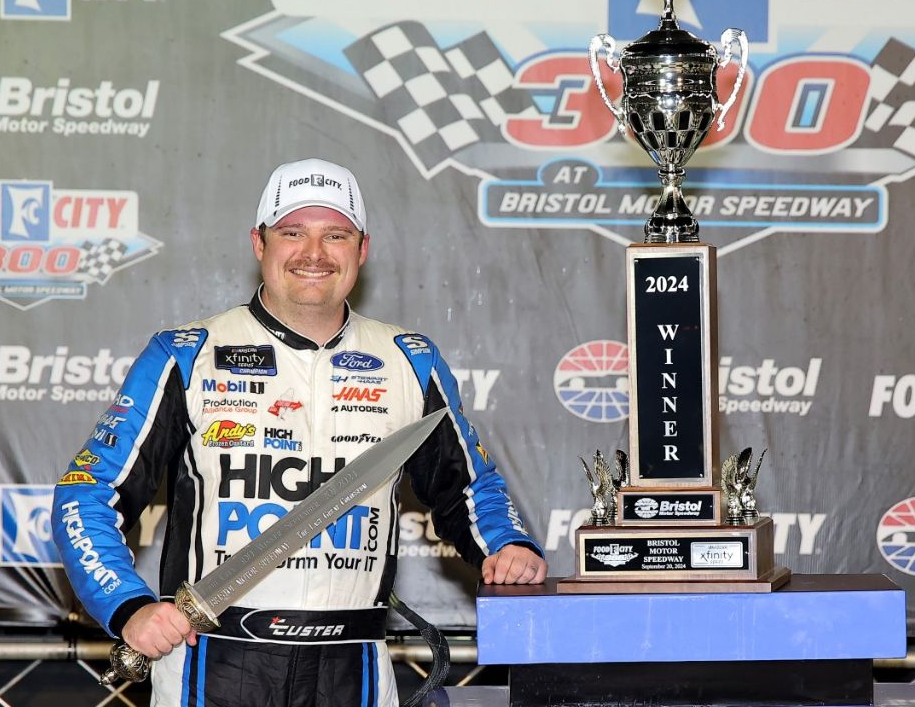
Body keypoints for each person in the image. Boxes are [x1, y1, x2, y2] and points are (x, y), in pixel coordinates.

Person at [53, 158, 546, 707]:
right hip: (214, 661)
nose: (314, 253)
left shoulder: (411, 360)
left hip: (352, 665)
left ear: (362, 249)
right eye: (293, 233)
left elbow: (470, 489)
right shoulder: (187, 355)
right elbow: (86, 494)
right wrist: (127, 605)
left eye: (335, 235)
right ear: (259, 244)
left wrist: (506, 545)